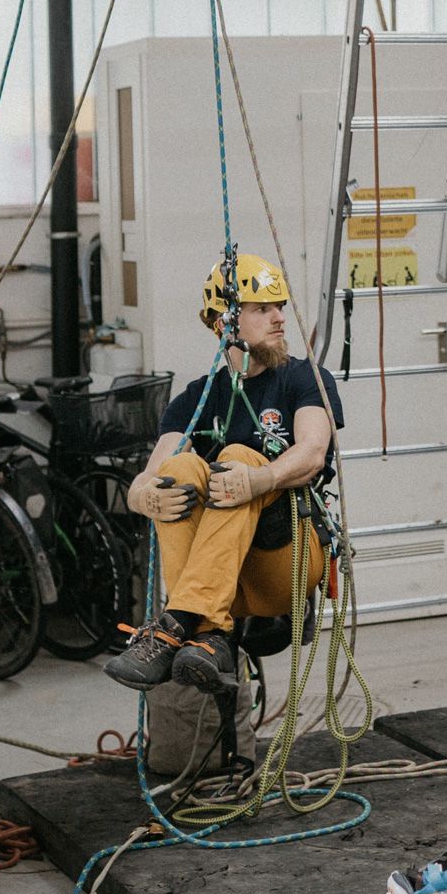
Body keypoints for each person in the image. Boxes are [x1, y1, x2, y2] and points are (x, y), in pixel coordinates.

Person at [103, 252, 343, 695]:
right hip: (223, 583)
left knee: (238, 455)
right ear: (223, 323)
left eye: (280, 307)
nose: (278, 318)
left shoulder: (304, 378)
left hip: (284, 562)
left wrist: (259, 478)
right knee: (178, 469)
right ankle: (210, 636)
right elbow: (150, 475)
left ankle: (176, 623)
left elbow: (311, 452)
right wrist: (142, 496)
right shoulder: (198, 397)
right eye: (262, 308)